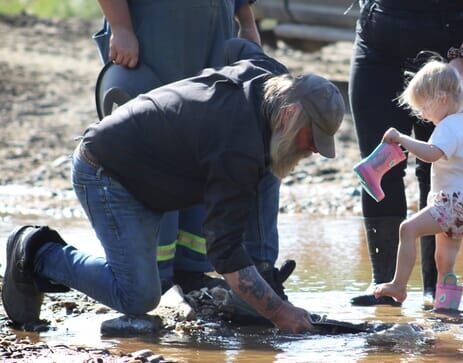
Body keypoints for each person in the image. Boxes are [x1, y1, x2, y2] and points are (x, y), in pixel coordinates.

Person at [2, 38, 346, 333]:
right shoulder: (235, 150)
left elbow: (234, 46)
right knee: (138, 297)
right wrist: (280, 313)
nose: (314, 149)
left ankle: (262, 280)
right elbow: (224, 252)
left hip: (149, 175)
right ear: (288, 115)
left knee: (271, 165)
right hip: (107, 174)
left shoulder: (267, 74)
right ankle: (37, 251)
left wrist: (196, 104)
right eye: (311, 137)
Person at [93, 0, 269, 295]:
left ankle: (192, 269)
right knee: (158, 149)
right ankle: (155, 272)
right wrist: (121, 28)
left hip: (214, 32)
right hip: (154, 34)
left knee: (207, 139)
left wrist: (248, 23)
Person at [349, 0, 463, 306]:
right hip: (379, 40)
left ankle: (435, 295)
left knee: (436, 171)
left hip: (455, 47)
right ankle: (385, 288)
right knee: (377, 165)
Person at [372, 59, 463, 303]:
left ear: (442, 98)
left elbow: (432, 153)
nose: (422, 115)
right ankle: (447, 311)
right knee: (445, 264)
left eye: (423, 107)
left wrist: (401, 138)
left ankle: (398, 286)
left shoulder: (447, 125)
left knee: (408, 229)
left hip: (453, 203)